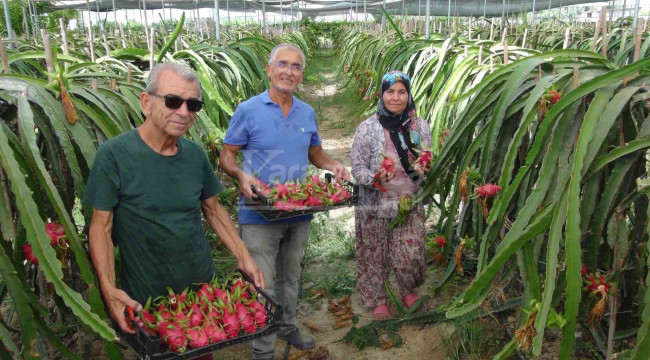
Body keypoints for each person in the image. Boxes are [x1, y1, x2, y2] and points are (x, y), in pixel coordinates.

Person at [84, 63, 264, 345]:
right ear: (146, 102)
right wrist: (109, 291)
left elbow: (214, 211)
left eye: (192, 105)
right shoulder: (114, 156)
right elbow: (100, 227)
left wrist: (244, 258)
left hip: (203, 288)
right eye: (172, 101)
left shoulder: (194, 155)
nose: (183, 112)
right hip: (149, 298)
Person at [219, 43, 350, 360]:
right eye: (283, 64)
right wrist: (239, 176)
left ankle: (287, 326)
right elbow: (226, 154)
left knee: (290, 276)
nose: (289, 71)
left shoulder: (306, 112)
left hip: (300, 210)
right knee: (262, 283)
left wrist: (332, 165)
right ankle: (263, 350)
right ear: (269, 69)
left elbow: (314, 152)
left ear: (302, 74)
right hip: (259, 214)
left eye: (295, 66)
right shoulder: (248, 110)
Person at [350, 70, 432, 320]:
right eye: (390, 91)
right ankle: (379, 299)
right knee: (375, 254)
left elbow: (426, 158)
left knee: (411, 252)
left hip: (408, 202)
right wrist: (375, 180)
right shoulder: (367, 128)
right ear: (382, 94)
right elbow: (357, 168)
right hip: (375, 203)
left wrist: (425, 169)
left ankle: (407, 290)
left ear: (409, 95)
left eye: (401, 92)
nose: (395, 97)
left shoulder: (419, 127)